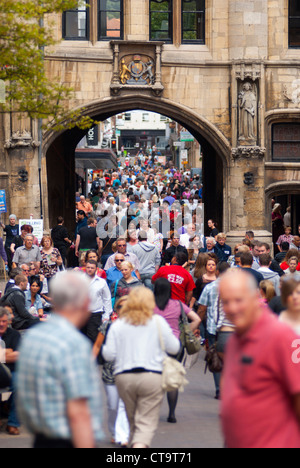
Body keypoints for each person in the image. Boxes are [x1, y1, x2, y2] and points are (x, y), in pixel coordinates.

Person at [16, 270, 103, 448]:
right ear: (85, 301)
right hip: (68, 439)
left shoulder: (33, 338)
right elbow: (78, 412)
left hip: (40, 436)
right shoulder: (74, 344)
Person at [219, 268, 300, 448]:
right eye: (225, 302)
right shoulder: (234, 341)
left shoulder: (281, 337)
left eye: (238, 300)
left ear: (256, 297)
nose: (232, 308)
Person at [102, 287, 180, 448]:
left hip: (124, 377)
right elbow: (174, 348)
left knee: (133, 419)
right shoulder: (158, 322)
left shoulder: (119, 324)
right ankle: (139, 444)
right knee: (145, 422)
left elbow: (108, 355)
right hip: (152, 376)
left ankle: (135, 441)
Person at [153, 278, 200, 424]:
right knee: (172, 378)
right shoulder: (178, 304)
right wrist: (183, 332)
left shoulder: (149, 305)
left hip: (154, 344)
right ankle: (171, 413)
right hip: (175, 344)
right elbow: (196, 319)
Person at [93, 296, 130, 447]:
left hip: (129, 372)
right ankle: (114, 432)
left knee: (125, 405)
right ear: (117, 309)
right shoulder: (107, 325)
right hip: (109, 372)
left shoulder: (136, 326)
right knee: (113, 405)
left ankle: (123, 435)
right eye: (121, 307)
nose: (124, 310)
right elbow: (97, 346)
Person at [197, 262, 231, 399]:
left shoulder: (210, 287)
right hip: (231, 329)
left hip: (213, 328)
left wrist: (198, 325)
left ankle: (219, 389)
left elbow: (202, 308)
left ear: (217, 272)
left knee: (216, 358)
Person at [0, 307, 21, 435]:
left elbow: (18, 355)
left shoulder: (14, 334)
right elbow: (11, 354)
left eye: (4, 321)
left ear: (8, 321)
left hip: (11, 371)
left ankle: (13, 423)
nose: (1, 324)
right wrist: (7, 352)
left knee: (19, 384)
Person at [83, 260, 112, 344]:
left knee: (93, 339)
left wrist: (106, 315)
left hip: (95, 314)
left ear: (96, 269)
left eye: (92, 268)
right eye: (88, 267)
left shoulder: (101, 282)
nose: (90, 269)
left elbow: (107, 299)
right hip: (81, 314)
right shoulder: (79, 281)